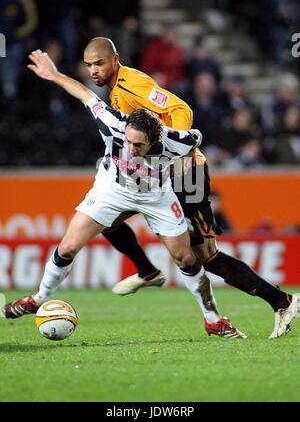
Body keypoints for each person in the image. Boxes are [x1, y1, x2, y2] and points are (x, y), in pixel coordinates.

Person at [76, 37, 299, 340]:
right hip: (157, 175)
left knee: (207, 256)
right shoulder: (117, 89)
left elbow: (179, 108)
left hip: (186, 174)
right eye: (89, 65)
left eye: (98, 63)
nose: (93, 70)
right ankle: (148, 271)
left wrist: (178, 149)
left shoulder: (132, 84)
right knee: (107, 219)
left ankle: (281, 302)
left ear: (114, 60)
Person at [4, 49, 232, 339]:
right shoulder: (113, 123)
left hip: (156, 194)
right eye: (130, 142)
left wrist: (192, 175)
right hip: (113, 189)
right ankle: (37, 299)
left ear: (154, 140)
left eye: (139, 145)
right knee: (68, 247)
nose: (132, 149)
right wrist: (54, 75)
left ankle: (214, 321)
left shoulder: (177, 140)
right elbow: (84, 94)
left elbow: (194, 136)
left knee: (186, 258)